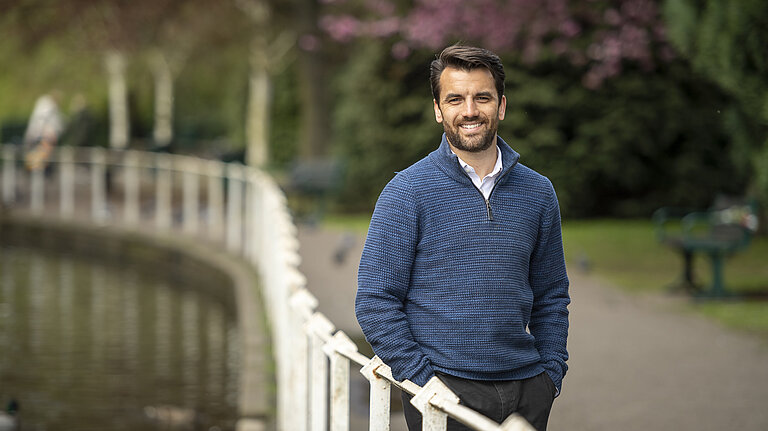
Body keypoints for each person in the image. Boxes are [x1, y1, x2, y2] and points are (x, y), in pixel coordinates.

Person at [355, 45, 570, 431]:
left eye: (482, 97)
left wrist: (550, 374)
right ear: (438, 109)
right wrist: (422, 381)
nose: (469, 111)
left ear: (501, 105)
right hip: (441, 390)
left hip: (527, 389)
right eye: (455, 99)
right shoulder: (407, 191)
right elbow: (375, 301)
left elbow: (552, 294)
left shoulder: (538, 192)